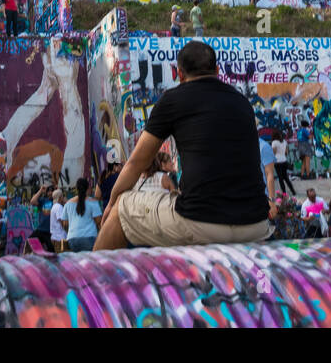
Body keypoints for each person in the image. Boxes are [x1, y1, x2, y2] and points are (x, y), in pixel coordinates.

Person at [94, 41, 272, 249]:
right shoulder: (243, 103)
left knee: (121, 209)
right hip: (256, 223)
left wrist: (112, 202)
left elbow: (136, 163)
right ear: (217, 70)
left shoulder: (173, 100)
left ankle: (85, 280)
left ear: (179, 74)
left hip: (202, 222)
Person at [61, 178, 103, 251]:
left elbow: (64, 224)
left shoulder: (68, 204)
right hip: (89, 239)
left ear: (76, 189)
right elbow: (99, 222)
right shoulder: (93, 202)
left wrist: (72, 232)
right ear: (88, 188)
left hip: (72, 240)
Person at [29, 183, 55, 250]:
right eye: (48, 191)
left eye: (52, 191)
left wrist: (58, 192)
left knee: (51, 250)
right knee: (30, 240)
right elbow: (32, 201)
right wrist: (41, 190)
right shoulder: (43, 200)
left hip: (50, 232)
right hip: (40, 229)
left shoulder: (57, 201)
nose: (50, 193)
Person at [49, 188, 67, 253]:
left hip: (55, 237)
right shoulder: (59, 207)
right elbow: (63, 222)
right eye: (62, 196)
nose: (64, 198)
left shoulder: (54, 206)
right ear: (60, 197)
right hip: (59, 238)